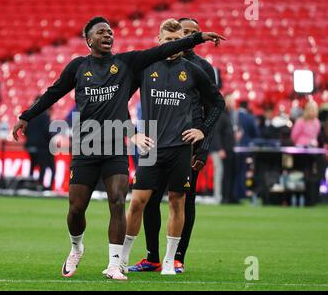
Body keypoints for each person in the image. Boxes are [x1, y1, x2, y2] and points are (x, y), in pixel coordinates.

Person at [12, 16, 225, 280]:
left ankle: (123, 263)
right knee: (83, 207)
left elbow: (172, 58)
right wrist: (27, 115)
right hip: (94, 144)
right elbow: (56, 92)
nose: (108, 35)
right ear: (89, 39)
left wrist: (197, 38)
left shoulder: (137, 64)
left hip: (134, 145)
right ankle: (79, 248)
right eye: (102, 32)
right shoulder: (91, 67)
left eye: (110, 32)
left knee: (123, 201)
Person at [119, 18, 225, 276]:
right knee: (138, 203)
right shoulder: (146, 67)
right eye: (167, 41)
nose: (172, 45)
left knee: (179, 202)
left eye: (177, 40)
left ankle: (170, 260)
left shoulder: (195, 69)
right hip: (151, 146)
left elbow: (217, 103)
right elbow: (119, 100)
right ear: (159, 41)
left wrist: (202, 131)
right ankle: (121, 259)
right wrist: (132, 134)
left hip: (181, 147)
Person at [24, 96, 55, 190]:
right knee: (43, 166)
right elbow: (47, 131)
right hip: (42, 146)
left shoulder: (29, 114)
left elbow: (24, 130)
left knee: (32, 165)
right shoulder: (44, 115)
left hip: (30, 145)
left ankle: (29, 185)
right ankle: (40, 185)